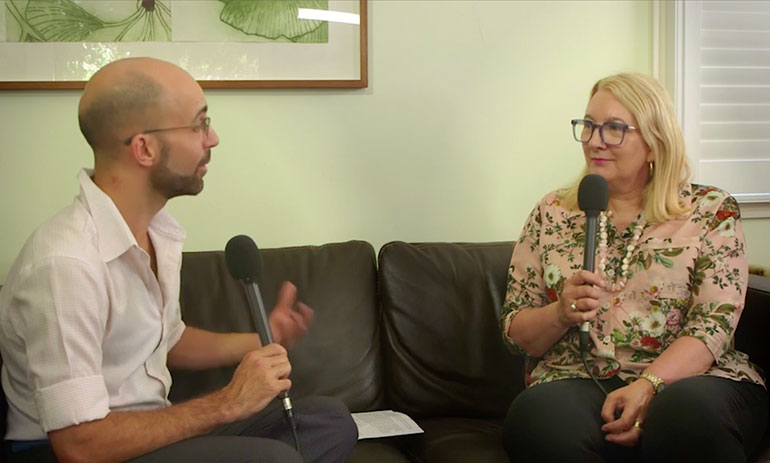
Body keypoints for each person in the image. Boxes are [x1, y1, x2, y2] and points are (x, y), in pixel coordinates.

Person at [0, 57, 357, 463]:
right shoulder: (66, 264)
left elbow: (165, 339)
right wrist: (228, 403)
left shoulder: (157, 234)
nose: (213, 138)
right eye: (199, 124)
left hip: (149, 433)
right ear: (145, 148)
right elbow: (79, 444)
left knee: (328, 422)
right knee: (274, 459)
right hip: (74, 451)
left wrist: (264, 337)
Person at [500, 73, 768, 463]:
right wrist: (560, 313)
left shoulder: (710, 210)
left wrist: (649, 384)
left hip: (696, 382)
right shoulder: (553, 212)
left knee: (685, 415)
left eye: (614, 128)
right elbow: (515, 332)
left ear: (654, 143)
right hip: (579, 378)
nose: (595, 140)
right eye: (589, 126)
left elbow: (713, 324)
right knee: (536, 419)